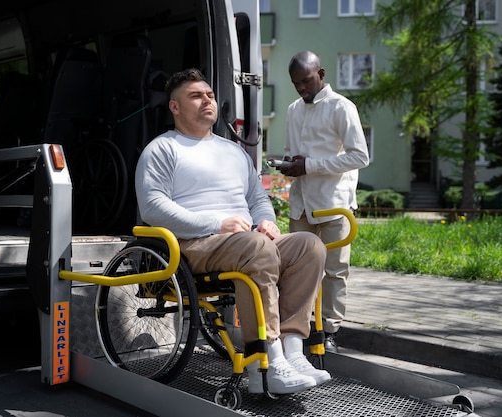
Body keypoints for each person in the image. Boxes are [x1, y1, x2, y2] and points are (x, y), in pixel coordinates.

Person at [134, 68, 330, 395]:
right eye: (196, 96)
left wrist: (267, 220)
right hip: (193, 244)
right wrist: (216, 224)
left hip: (245, 242)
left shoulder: (233, 151)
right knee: (255, 247)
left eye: (209, 95)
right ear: (175, 108)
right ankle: (263, 363)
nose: (207, 100)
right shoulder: (163, 149)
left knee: (309, 246)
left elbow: (257, 199)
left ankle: (293, 351)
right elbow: (153, 207)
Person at [281, 51, 370, 353]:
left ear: (321, 73)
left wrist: (309, 165)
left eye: (306, 81)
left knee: (334, 270)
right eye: (296, 84)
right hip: (301, 203)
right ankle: (299, 329)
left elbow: (360, 157)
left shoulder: (342, 107)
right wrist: (289, 163)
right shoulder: (293, 109)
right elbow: (295, 151)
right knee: (296, 271)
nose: (301, 88)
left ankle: (329, 331)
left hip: (334, 203)